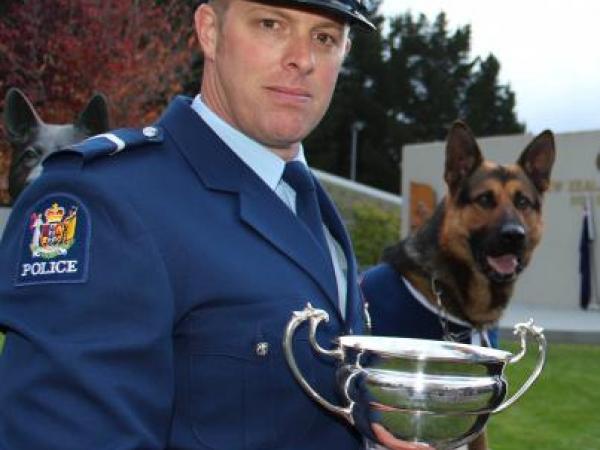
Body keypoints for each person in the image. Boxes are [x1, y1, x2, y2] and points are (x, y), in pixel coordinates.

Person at [0, 1, 432, 449]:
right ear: (209, 31)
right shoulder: (105, 202)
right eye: (271, 24)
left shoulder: (307, 202)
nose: (303, 59)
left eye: (324, 38)